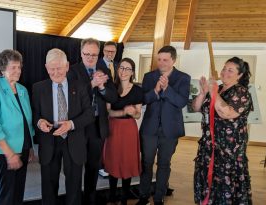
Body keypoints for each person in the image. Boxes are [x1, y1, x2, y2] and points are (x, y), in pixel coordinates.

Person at [32, 48, 94, 205]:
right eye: (51, 69)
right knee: (48, 186)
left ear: (67, 66)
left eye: (59, 68)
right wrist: (39, 122)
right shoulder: (38, 88)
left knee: (74, 186)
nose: (55, 72)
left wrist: (71, 124)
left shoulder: (80, 86)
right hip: (49, 141)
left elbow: (89, 114)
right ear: (46, 67)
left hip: (73, 141)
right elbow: (34, 114)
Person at [192, 57, 253, 204]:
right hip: (209, 146)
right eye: (224, 68)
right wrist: (203, 92)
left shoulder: (241, 92)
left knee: (225, 182)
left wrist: (214, 93)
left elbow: (226, 113)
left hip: (228, 149)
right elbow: (195, 107)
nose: (225, 72)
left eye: (230, 70)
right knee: (208, 179)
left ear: (239, 75)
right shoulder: (216, 88)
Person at [137, 45, 191, 205]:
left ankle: (159, 198)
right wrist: (155, 90)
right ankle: (143, 196)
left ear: (173, 60)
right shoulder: (148, 76)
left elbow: (181, 102)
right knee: (146, 163)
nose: (161, 63)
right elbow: (144, 99)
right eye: (159, 59)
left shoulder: (183, 78)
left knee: (164, 164)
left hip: (170, 130)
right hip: (149, 129)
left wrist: (167, 88)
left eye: (165, 60)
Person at [67, 38, 118, 205]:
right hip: (78, 127)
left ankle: (90, 200)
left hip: (97, 126)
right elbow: (71, 98)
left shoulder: (105, 70)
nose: (90, 58)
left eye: (94, 55)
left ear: (99, 54)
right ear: (81, 53)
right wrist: (92, 84)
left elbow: (113, 97)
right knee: (75, 169)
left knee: (93, 168)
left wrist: (102, 87)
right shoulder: (72, 71)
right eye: (87, 54)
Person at [0, 49, 35, 205]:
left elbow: (28, 120)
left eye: (19, 67)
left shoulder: (22, 90)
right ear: (2, 69)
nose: (18, 71)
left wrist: (30, 146)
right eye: (13, 67)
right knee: (7, 191)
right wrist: (9, 153)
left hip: (23, 147)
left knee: (19, 189)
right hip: (5, 149)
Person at [103, 58, 143, 205]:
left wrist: (133, 112)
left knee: (127, 163)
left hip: (129, 130)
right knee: (114, 162)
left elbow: (138, 114)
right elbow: (108, 112)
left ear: (132, 72)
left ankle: (124, 199)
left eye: (128, 69)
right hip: (113, 128)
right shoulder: (111, 87)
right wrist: (123, 112)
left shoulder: (138, 90)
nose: (124, 71)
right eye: (121, 68)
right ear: (117, 69)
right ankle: (112, 198)